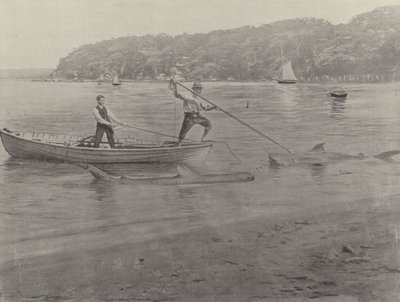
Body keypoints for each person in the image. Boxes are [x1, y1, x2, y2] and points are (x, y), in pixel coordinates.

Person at [170, 80, 217, 146]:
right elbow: (176, 94)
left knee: (209, 124)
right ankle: (179, 144)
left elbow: (205, 108)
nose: (200, 90)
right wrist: (175, 85)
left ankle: (203, 138)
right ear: (195, 89)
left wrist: (213, 107)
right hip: (189, 116)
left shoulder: (199, 98)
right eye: (199, 89)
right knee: (183, 132)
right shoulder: (186, 95)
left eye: (201, 89)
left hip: (198, 116)